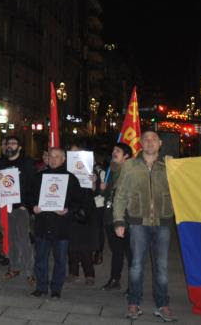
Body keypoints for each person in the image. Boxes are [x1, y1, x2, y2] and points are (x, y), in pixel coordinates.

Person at [114, 131, 177, 322]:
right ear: (140, 143)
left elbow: (183, 190)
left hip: (163, 223)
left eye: (154, 139)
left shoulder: (169, 166)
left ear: (160, 143)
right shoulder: (130, 166)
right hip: (138, 224)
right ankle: (134, 304)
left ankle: (162, 305)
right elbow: (121, 194)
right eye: (146, 139)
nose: (150, 142)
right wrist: (119, 220)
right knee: (136, 266)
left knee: (162, 268)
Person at [30, 147, 82, 299]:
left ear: (63, 159)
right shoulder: (39, 177)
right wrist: (33, 207)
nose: (53, 160)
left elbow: (78, 202)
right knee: (40, 258)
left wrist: (67, 210)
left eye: (57, 157)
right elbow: (29, 196)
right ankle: (41, 287)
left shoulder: (71, 178)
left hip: (62, 226)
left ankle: (56, 289)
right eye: (51, 156)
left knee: (60, 260)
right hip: (42, 224)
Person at [0, 135, 36, 284]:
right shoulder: (2, 163)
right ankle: (14, 267)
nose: (10, 146)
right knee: (11, 238)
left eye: (14, 143)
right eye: (8, 144)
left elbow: (32, 184)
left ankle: (30, 272)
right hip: (7, 206)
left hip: (21, 207)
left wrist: (27, 205)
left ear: (19, 147)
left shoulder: (27, 163)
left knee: (24, 239)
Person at [100, 142, 133, 291]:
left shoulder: (131, 173)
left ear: (126, 156)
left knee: (131, 253)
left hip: (126, 219)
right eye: (113, 150)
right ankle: (114, 279)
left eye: (118, 151)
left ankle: (133, 285)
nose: (114, 152)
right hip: (110, 217)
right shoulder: (112, 172)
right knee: (116, 251)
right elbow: (109, 196)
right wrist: (102, 189)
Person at [66, 145, 99, 285]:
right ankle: (73, 272)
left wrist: (94, 183)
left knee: (85, 244)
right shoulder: (65, 170)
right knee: (72, 244)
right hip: (70, 209)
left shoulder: (91, 168)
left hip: (87, 209)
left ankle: (89, 273)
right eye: (71, 153)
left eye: (77, 152)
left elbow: (96, 192)